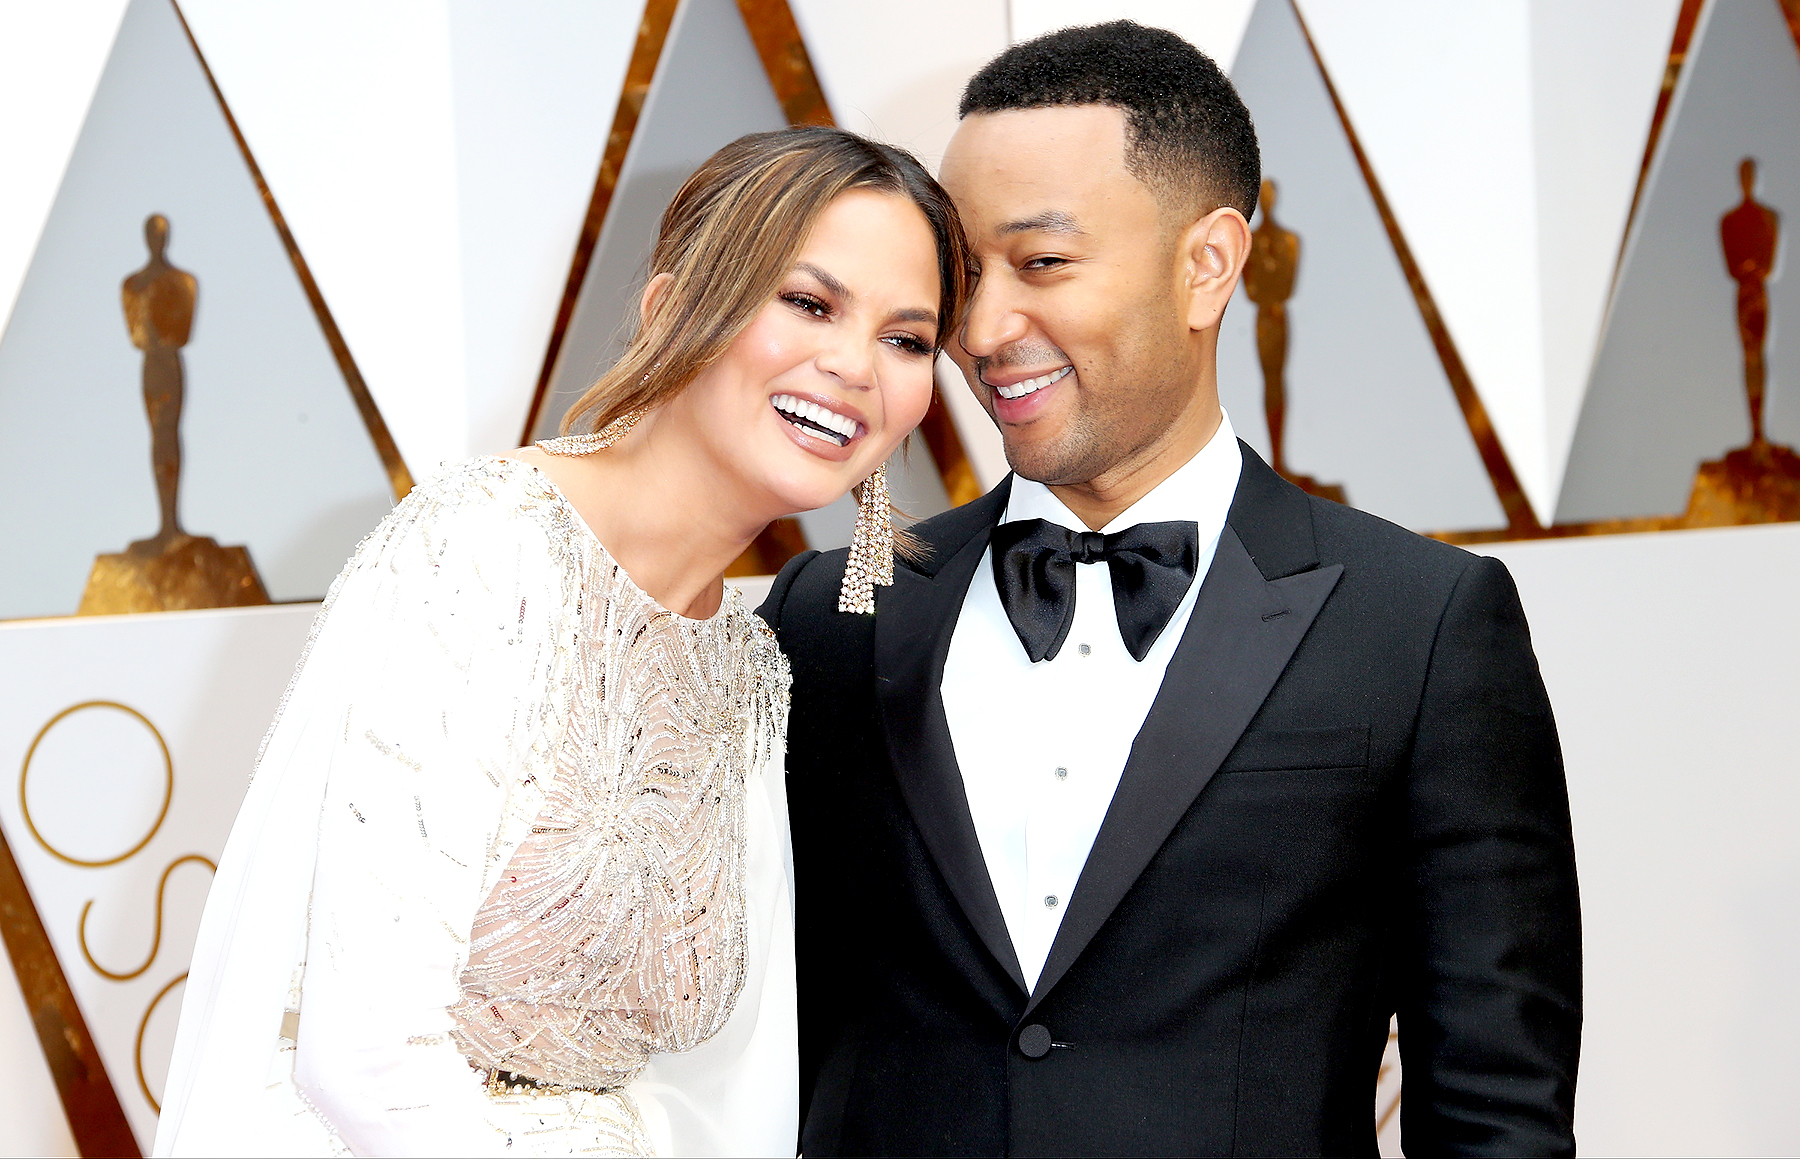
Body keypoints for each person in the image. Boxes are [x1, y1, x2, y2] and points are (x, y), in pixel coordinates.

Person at [759, 22, 1581, 1156]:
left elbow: (1494, 1111)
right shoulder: (830, 610)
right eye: (964, 275)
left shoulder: (1423, 623)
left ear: (1209, 264)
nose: (984, 330)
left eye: (1042, 264)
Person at [155, 125, 967, 1157]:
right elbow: (362, 1053)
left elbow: (727, 1091)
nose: (855, 364)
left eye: (908, 339)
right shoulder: (485, 553)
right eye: (809, 302)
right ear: (674, 307)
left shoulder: (747, 671)